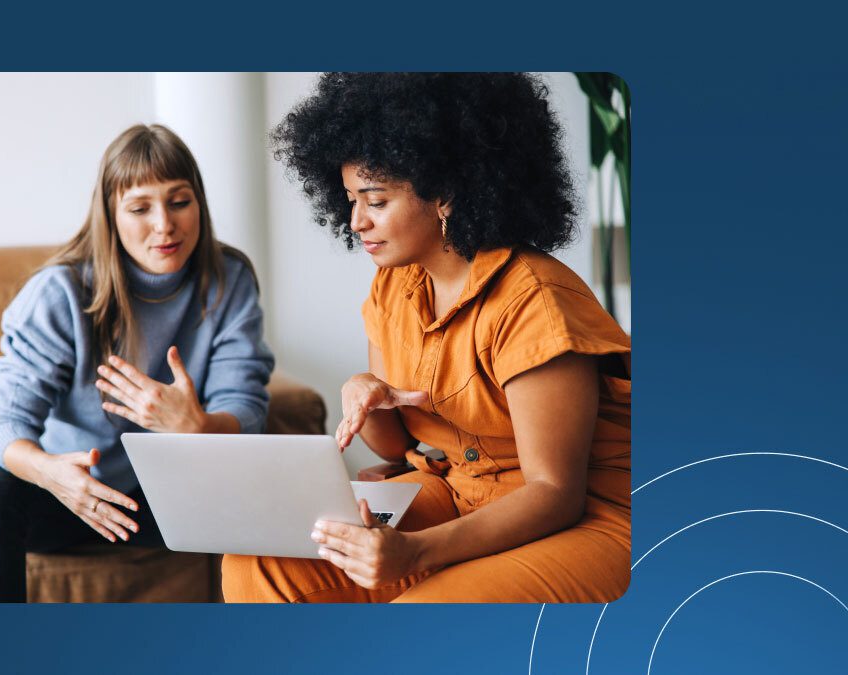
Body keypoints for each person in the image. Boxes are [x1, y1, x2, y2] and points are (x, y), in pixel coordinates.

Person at [223, 72, 631, 602]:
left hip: (587, 518)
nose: (357, 221)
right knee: (261, 564)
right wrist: (365, 393)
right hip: (454, 491)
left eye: (376, 199)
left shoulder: (535, 299)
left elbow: (554, 493)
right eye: (350, 199)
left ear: (446, 194)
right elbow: (396, 446)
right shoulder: (393, 284)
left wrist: (415, 552)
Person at [0, 124, 274, 602]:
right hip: (69, 493)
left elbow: (245, 404)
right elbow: (5, 423)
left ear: (200, 204)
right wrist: (51, 474)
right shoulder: (59, 293)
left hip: (174, 496)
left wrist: (197, 425)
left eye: (179, 201)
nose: (164, 225)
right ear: (111, 215)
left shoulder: (229, 278)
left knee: (282, 487)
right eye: (140, 208)